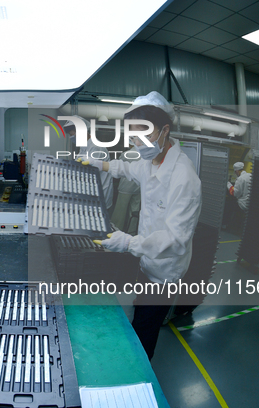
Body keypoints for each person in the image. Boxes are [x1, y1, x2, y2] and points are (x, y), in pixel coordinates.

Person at [84, 91, 202, 360]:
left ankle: (140, 376)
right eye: (133, 135)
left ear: (164, 130)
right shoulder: (149, 162)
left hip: (165, 274)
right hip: (146, 263)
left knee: (144, 330)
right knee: (138, 311)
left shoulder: (184, 178)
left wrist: (128, 242)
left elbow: (176, 240)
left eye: (142, 134)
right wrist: (97, 163)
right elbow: (124, 168)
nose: (137, 141)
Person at [64, 115, 114, 211]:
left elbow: (88, 173)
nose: (71, 137)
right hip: (90, 194)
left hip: (99, 194)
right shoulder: (83, 147)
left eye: (72, 134)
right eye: (70, 135)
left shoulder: (96, 147)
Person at [110, 147, 141, 235]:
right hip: (138, 187)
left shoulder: (127, 154)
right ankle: (132, 232)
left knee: (120, 212)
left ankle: (115, 232)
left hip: (126, 188)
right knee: (134, 210)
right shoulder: (143, 154)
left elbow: (118, 165)